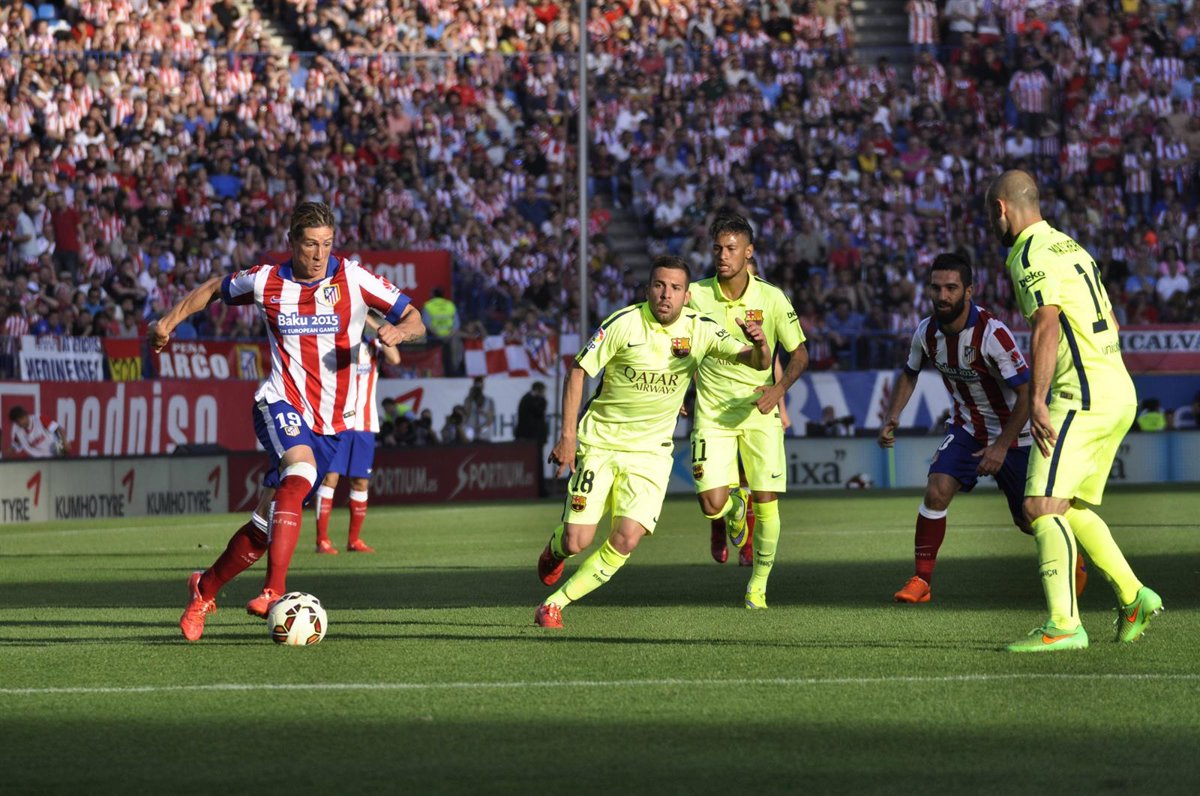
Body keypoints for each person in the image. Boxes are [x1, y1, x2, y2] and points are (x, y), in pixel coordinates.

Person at [153, 201, 425, 642]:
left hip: (332, 425)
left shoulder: (354, 279)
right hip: (279, 402)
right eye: (310, 244)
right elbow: (214, 289)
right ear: (292, 242)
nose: (319, 254)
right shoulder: (267, 281)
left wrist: (401, 332)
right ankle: (273, 590)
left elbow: (416, 319)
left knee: (264, 526)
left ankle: (203, 591)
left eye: (326, 244)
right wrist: (168, 322)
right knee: (299, 470)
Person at [534, 255, 772, 628]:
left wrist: (760, 345)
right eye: (659, 286)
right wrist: (567, 436)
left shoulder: (699, 329)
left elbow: (756, 361)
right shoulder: (623, 323)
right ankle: (556, 549)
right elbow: (578, 370)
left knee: (627, 539)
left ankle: (554, 605)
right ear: (648, 289)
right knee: (577, 541)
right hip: (601, 444)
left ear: (687, 296)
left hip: (651, 454)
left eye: (675, 288)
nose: (666, 294)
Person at [986, 170, 1162, 652]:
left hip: (1080, 394)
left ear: (1001, 209)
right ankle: (1134, 596)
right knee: (1069, 506)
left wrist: (1037, 399)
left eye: (989, 215)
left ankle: (1063, 625)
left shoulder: (1029, 254)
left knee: (1039, 507)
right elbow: (1113, 322)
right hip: (1116, 387)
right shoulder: (1071, 247)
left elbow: (1047, 324)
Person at [878, 253, 1087, 604]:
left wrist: (1001, 447)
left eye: (951, 288)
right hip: (967, 429)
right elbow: (909, 373)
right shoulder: (926, 332)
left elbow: (1027, 393)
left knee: (1029, 519)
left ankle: (1074, 558)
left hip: (1017, 435)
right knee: (936, 491)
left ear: (969, 291)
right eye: (936, 288)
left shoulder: (992, 335)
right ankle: (921, 580)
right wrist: (892, 415)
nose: (942, 296)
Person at [686, 214, 808, 606]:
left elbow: (800, 354)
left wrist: (779, 390)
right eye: (717, 248)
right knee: (711, 504)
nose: (723, 256)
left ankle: (758, 585)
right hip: (712, 413)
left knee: (768, 502)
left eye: (731, 248)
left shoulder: (771, 298)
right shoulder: (694, 295)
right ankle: (735, 507)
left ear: (748, 252)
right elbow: (674, 340)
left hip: (759, 411)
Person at [312, 318, 402, 554]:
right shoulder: (335, 342)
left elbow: (395, 359)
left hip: (365, 423)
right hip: (337, 421)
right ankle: (322, 540)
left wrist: (373, 323)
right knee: (330, 478)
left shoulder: (373, 345)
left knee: (360, 481)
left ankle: (354, 540)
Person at [516, 380, 550, 497]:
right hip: (532, 440)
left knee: (537, 464)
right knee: (535, 465)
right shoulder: (529, 400)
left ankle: (540, 490)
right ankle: (538, 490)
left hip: (534, 439)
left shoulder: (527, 399)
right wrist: (542, 399)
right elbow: (539, 411)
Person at [422, 286, 462, 375]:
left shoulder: (428, 306)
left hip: (433, 338)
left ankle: (433, 372)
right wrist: (449, 335)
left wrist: (438, 335)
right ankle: (454, 372)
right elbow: (456, 325)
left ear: (433, 295)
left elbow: (426, 324)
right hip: (449, 337)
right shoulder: (450, 305)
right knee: (453, 354)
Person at [463, 375, 495, 441]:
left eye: (480, 383)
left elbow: (490, 419)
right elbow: (466, 415)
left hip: (484, 433)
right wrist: (471, 398)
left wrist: (481, 428)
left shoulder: (489, 401)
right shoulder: (468, 400)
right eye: (477, 383)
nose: (479, 386)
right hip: (471, 432)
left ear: (483, 385)